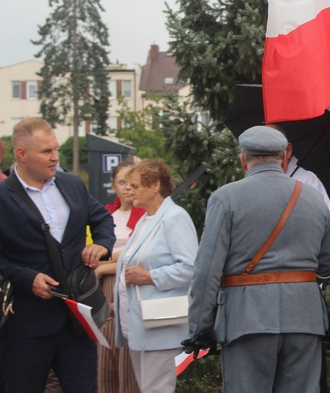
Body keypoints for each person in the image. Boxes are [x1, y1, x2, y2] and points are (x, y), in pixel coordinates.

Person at [187, 126, 330, 392]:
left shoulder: (226, 198)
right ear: (283, 157)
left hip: (247, 319)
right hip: (304, 319)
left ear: (243, 160)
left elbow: (207, 269)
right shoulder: (314, 197)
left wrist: (200, 326)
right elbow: (328, 264)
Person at [0, 117, 116, 393]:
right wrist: (28, 279)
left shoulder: (72, 183)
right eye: (46, 152)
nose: (55, 157)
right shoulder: (2, 197)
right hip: (25, 326)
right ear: (22, 154)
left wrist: (102, 244)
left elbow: (102, 219)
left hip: (78, 320)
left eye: (56, 149)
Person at [114, 159, 198, 393]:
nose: (129, 190)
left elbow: (191, 267)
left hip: (161, 324)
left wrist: (150, 277)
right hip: (140, 323)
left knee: (157, 389)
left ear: (154, 185)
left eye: (135, 186)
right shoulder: (146, 217)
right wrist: (119, 302)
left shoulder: (174, 217)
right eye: (127, 185)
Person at [95, 161, 144, 393]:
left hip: (129, 282)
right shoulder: (105, 214)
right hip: (102, 286)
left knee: (127, 348)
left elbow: (138, 255)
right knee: (104, 350)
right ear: (114, 186)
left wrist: (105, 264)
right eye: (122, 182)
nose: (128, 188)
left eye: (132, 182)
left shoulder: (146, 216)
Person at [267, 124, 330, 211]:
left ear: (288, 150)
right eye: (258, 153)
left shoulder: (308, 181)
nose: (265, 159)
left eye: (271, 151)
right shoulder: (253, 179)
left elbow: (323, 218)